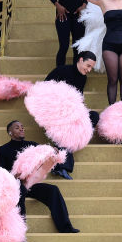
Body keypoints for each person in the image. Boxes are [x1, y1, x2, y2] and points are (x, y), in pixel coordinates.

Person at [0, 120, 79, 233]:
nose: (21, 129)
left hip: (32, 184)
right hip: (15, 186)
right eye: (17, 127)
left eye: (22, 126)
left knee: (53, 190)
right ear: (10, 132)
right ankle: (19, 233)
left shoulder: (32, 145)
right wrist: (14, 176)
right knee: (20, 191)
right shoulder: (3, 150)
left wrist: (52, 151)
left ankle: (65, 227)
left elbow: (45, 153)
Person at [43, 51, 100, 179]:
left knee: (94, 116)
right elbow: (44, 90)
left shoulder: (83, 77)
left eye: (91, 67)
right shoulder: (61, 71)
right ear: (80, 60)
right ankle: (62, 166)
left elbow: (78, 98)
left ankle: (62, 162)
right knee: (66, 129)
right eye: (88, 65)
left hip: (72, 114)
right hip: (54, 113)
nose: (89, 70)